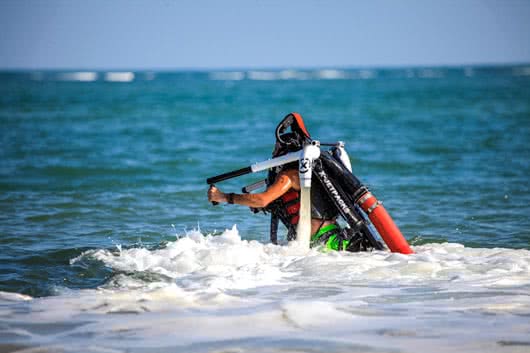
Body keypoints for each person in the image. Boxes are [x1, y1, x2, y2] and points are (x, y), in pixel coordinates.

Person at [207, 113, 371, 251]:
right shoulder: (305, 175)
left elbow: (262, 199)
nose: (273, 153)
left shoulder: (289, 176)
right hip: (321, 242)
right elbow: (270, 203)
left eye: (275, 149)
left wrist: (223, 196)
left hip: (327, 243)